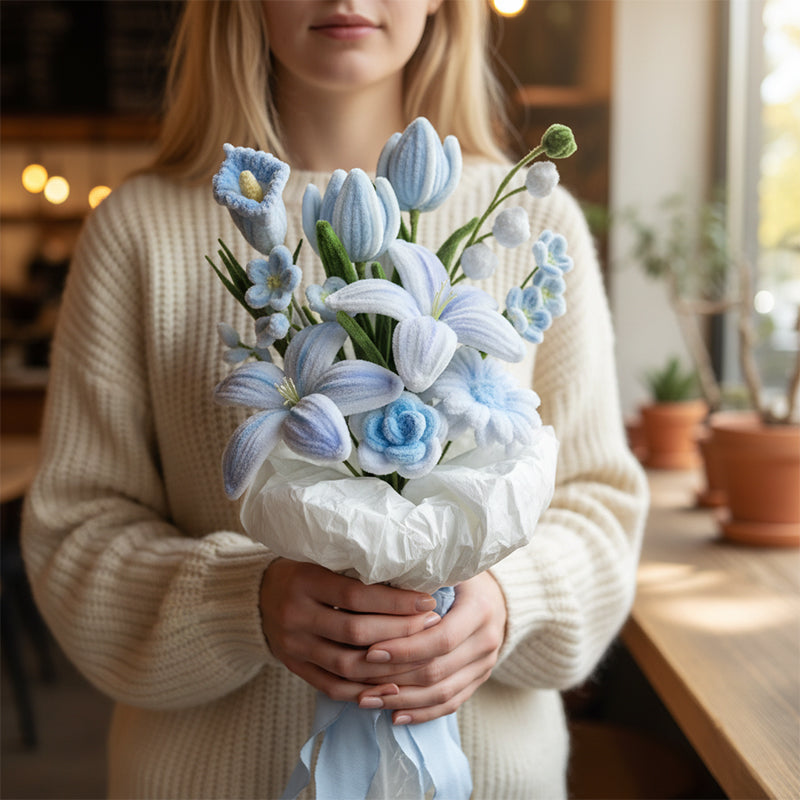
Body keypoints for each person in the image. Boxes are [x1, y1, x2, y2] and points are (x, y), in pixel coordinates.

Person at [22, 1, 649, 798]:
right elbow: (75, 534)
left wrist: (506, 603)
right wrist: (243, 602)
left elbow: (600, 505)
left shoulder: (529, 222)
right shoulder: (137, 233)